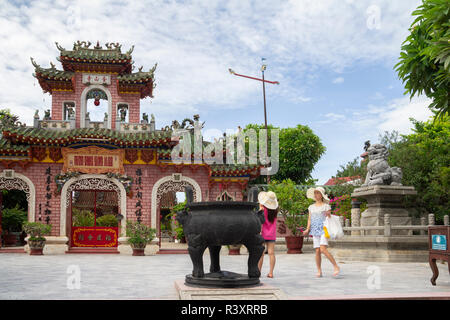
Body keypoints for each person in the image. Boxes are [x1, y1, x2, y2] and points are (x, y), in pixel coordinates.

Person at [303, 187, 340, 277]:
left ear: (322, 195)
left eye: (318, 193)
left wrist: (328, 214)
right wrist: (307, 229)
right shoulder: (311, 207)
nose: (316, 195)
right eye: (315, 193)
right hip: (315, 230)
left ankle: (336, 266)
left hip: (324, 230)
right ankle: (319, 270)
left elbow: (329, 218)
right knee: (317, 251)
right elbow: (309, 219)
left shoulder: (326, 206)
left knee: (323, 249)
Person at [257, 191, 279, 278]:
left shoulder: (263, 210)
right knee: (271, 253)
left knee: (261, 254)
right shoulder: (275, 210)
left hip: (263, 234)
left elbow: (259, 221)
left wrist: (260, 207)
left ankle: (258, 272)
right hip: (272, 234)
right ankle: (271, 273)